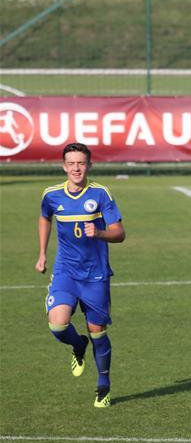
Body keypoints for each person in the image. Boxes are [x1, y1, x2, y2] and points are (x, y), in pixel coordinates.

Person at [36, 142, 125, 408]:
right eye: (71, 163)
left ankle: (103, 385)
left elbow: (119, 232)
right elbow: (44, 217)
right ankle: (78, 345)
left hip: (95, 274)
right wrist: (42, 253)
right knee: (57, 325)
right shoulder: (51, 195)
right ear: (64, 166)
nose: (76, 168)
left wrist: (98, 233)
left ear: (89, 165)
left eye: (81, 163)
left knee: (98, 330)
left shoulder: (100, 194)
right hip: (65, 271)